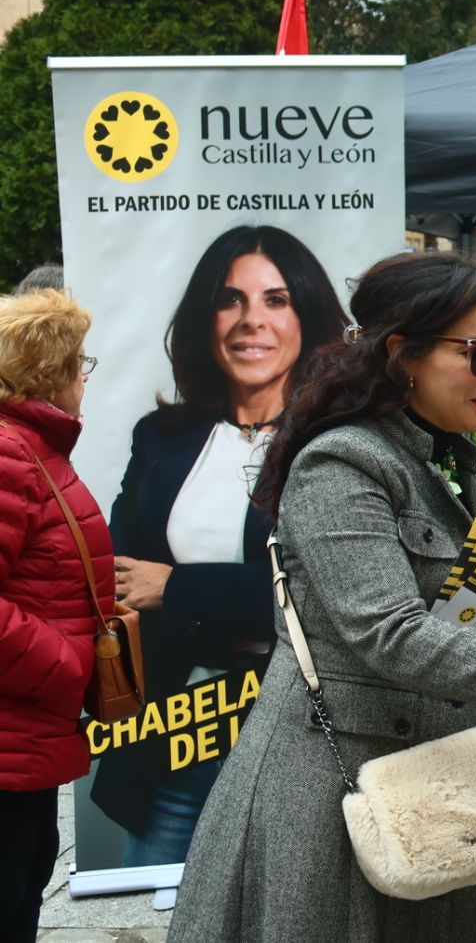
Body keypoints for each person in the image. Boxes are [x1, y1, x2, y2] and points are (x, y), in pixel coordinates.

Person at [168, 252, 476, 943]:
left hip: (446, 782)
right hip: (341, 787)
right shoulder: (341, 463)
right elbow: (392, 636)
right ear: (403, 355)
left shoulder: (460, 460)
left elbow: (452, 611)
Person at [90, 226, 347, 868]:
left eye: (275, 300)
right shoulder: (162, 436)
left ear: (308, 317)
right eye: (230, 299)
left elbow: (333, 589)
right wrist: (235, 601)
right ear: (206, 319)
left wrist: (177, 589)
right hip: (174, 730)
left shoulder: (341, 442)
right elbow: (123, 577)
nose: (250, 320)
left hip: (296, 732)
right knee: (156, 908)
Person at [0, 290, 111, 943]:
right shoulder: (11, 453)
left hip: (25, 731)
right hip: (14, 729)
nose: (84, 377)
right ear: (48, 373)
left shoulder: (30, 447)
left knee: (23, 887)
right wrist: (65, 660)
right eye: (80, 363)